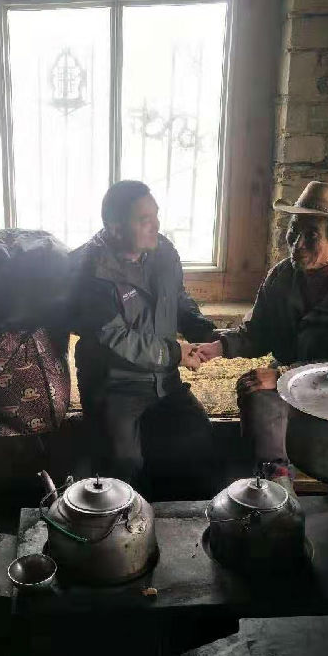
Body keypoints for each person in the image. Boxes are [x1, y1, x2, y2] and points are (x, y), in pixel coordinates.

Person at [197, 181, 328, 490]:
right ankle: (275, 481)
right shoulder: (282, 275)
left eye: (311, 235)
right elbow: (258, 333)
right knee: (253, 388)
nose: (297, 244)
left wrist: (282, 376)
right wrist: (218, 347)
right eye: (293, 231)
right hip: (292, 379)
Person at [70, 180, 225, 500]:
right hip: (114, 383)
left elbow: (177, 298)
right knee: (123, 461)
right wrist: (175, 353)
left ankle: (187, 517)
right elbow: (115, 337)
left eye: (156, 215)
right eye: (145, 220)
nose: (156, 225)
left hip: (163, 378)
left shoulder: (162, 250)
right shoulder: (91, 271)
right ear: (115, 229)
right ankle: (124, 523)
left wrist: (203, 330)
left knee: (199, 436)